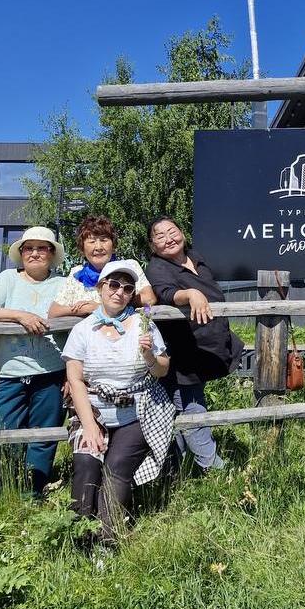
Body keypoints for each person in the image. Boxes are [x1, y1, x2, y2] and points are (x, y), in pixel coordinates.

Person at [62, 260, 176, 544]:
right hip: (94, 409)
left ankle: (108, 540)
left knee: (116, 469)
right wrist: (89, 426)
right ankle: (80, 536)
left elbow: (162, 370)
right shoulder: (84, 329)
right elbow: (75, 379)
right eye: (114, 285)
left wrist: (149, 356)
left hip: (136, 409)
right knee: (87, 463)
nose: (120, 292)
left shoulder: (143, 324)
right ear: (101, 288)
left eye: (127, 288)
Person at [144, 215, 244, 471]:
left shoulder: (197, 258)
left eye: (172, 231)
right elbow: (165, 294)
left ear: (182, 232)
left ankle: (175, 467)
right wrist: (190, 293)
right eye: (160, 236)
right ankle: (212, 467)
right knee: (191, 407)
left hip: (207, 345)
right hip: (182, 351)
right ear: (152, 245)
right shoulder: (157, 268)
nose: (169, 239)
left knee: (180, 407)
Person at [0, 226, 68, 498]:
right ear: (21, 253)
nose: (35, 253)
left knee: (44, 433)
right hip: (11, 372)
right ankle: (4, 490)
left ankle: (33, 490)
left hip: (51, 370)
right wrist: (19, 316)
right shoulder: (8, 279)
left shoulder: (62, 285)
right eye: (29, 248)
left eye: (42, 248)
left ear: (52, 254)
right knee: (4, 433)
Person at [50, 215, 154, 319]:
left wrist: (102, 307)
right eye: (92, 241)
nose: (98, 247)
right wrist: (85, 309)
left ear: (113, 246)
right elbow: (54, 312)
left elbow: (149, 298)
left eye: (104, 240)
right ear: (82, 249)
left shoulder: (129, 266)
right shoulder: (76, 274)